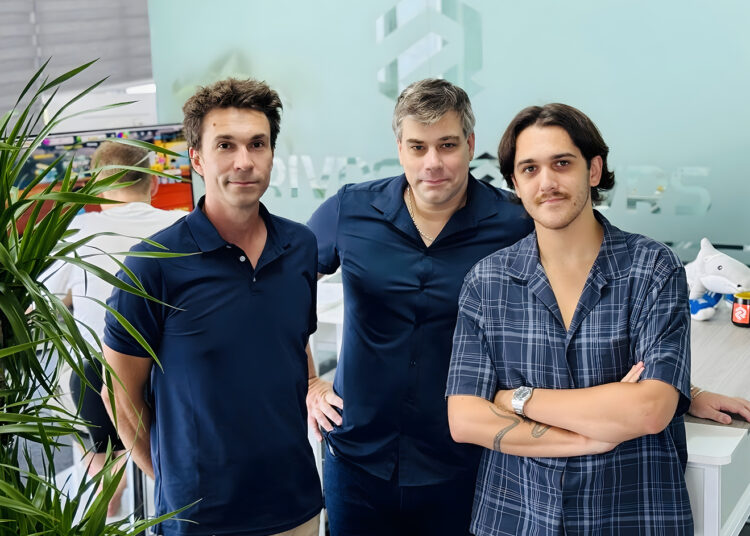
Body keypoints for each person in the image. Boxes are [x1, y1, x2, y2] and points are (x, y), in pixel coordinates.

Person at [446, 103, 694, 534]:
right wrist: (591, 435)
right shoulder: (485, 282)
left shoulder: (653, 268)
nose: (546, 182)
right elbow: (465, 419)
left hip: (631, 515)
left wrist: (515, 399)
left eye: (562, 163)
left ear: (593, 170)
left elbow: (650, 409)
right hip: (516, 518)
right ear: (515, 183)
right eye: (529, 169)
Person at [306, 79, 533, 535]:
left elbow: (579, 289)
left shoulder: (515, 222)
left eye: (447, 145)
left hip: (463, 461)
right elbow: (278, 290)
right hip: (356, 458)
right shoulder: (350, 210)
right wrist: (308, 382)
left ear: (470, 144)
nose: (433, 163)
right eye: (417, 147)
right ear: (400, 148)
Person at [101, 79, 322, 536]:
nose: (244, 161)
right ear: (197, 159)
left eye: (257, 144)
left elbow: (292, 343)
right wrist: (172, 483)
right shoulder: (153, 265)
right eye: (225, 145)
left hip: (295, 504)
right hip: (200, 519)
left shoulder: (300, 246)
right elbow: (120, 395)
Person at [43, 141, 186, 517]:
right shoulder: (182, 226)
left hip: (100, 377)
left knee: (79, 381)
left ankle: (109, 483)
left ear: (94, 185)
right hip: (174, 377)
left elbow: (42, 301)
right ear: (153, 183)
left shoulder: (80, 232)